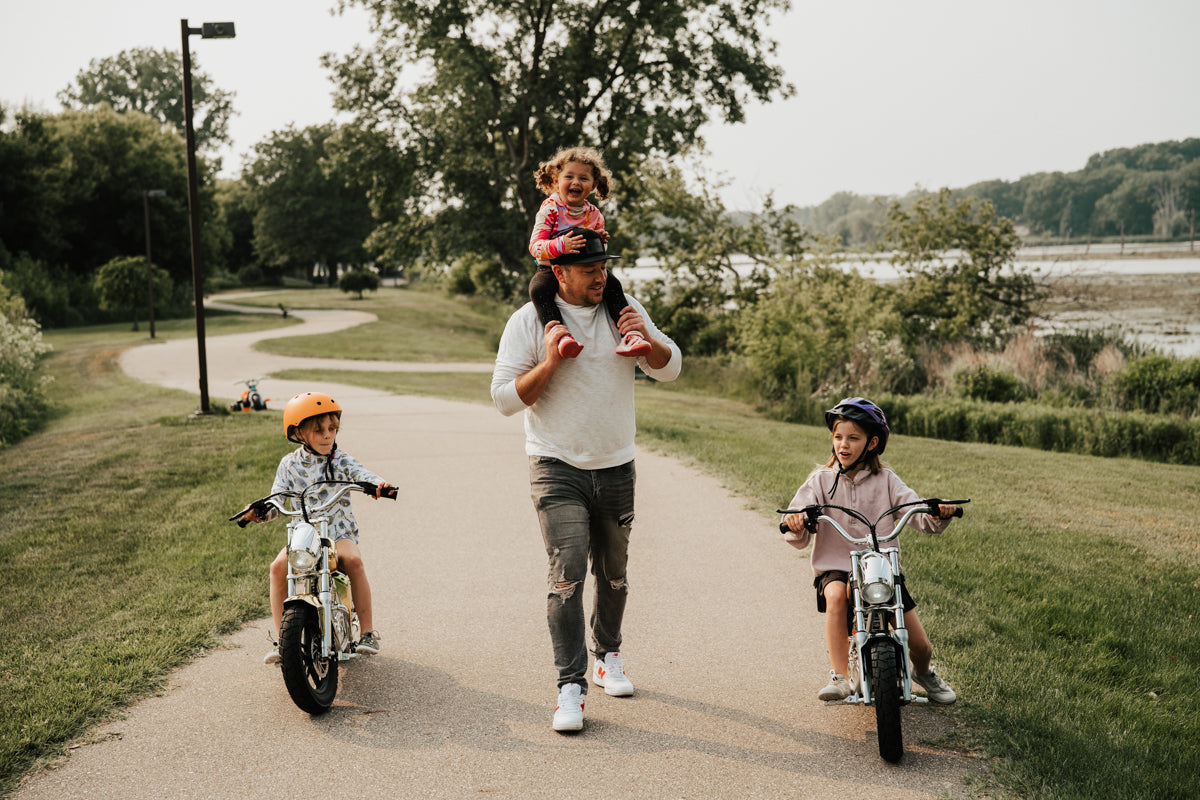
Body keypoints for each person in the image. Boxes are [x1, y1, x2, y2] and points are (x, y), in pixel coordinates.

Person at [491, 234, 681, 732]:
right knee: (567, 573)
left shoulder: (624, 308)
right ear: (560, 273)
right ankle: (569, 687)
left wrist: (651, 341)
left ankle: (608, 656)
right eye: (589, 268)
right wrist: (552, 361)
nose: (601, 276)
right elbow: (504, 399)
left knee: (613, 572)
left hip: (617, 464)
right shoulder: (529, 321)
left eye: (603, 266)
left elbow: (671, 369)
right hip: (555, 466)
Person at [779, 397, 958, 705]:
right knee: (836, 595)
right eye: (838, 436)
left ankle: (924, 672)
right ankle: (839, 677)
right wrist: (795, 522)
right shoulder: (820, 480)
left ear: (872, 442)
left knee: (922, 645)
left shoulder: (887, 480)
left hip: (880, 568)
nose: (843, 445)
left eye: (853, 438)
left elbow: (913, 510)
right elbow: (796, 519)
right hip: (837, 566)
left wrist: (937, 512)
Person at [241, 391, 392, 665]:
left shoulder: (342, 460)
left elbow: (363, 475)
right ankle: (282, 641)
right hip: (304, 536)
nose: (327, 435)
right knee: (277, 568)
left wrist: (378, 485)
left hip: (338, 532)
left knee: (354, 561)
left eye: (332, 429)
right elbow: (277, 500)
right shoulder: (289, 464)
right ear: (299, 433)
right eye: (319, 430)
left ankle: (368, 632)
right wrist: (260, 513)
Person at [527, 146, 651, 360]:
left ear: (593, 186)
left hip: (582, 270)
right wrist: (561, 246)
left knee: (613, 286)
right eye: (569, 176)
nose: (576, 182)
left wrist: (599, 241)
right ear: (556, 181)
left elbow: (595, 255)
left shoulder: (593, 214)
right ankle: (560, 336)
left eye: (583, 178)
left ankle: (629, 335)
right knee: (538, 290)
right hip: (551, 268)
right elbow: (535, 246)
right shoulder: (550, 209)